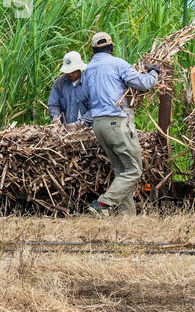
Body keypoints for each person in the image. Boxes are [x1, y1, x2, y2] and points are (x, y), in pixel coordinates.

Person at [81, 31, 159, 216]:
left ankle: (127, 217)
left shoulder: (89, 69)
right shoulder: (117, 63)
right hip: (117, 122)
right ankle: (102, 205)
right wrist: (154, 72)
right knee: (134, 169)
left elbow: (86, 97)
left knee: (122, 171)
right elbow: (143, 83)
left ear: (93, 50)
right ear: (112, 47)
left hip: (98, 125)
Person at [47, 50, 91, 126]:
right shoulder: (59, 84)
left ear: (79, 69)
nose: (70, 74)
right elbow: (53, 104)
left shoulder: (89, 83)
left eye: (73, 71)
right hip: (65, 131)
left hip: (87, 129)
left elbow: (94, 109)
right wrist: (55, 117)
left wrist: (79, 123)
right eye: (68, 71)